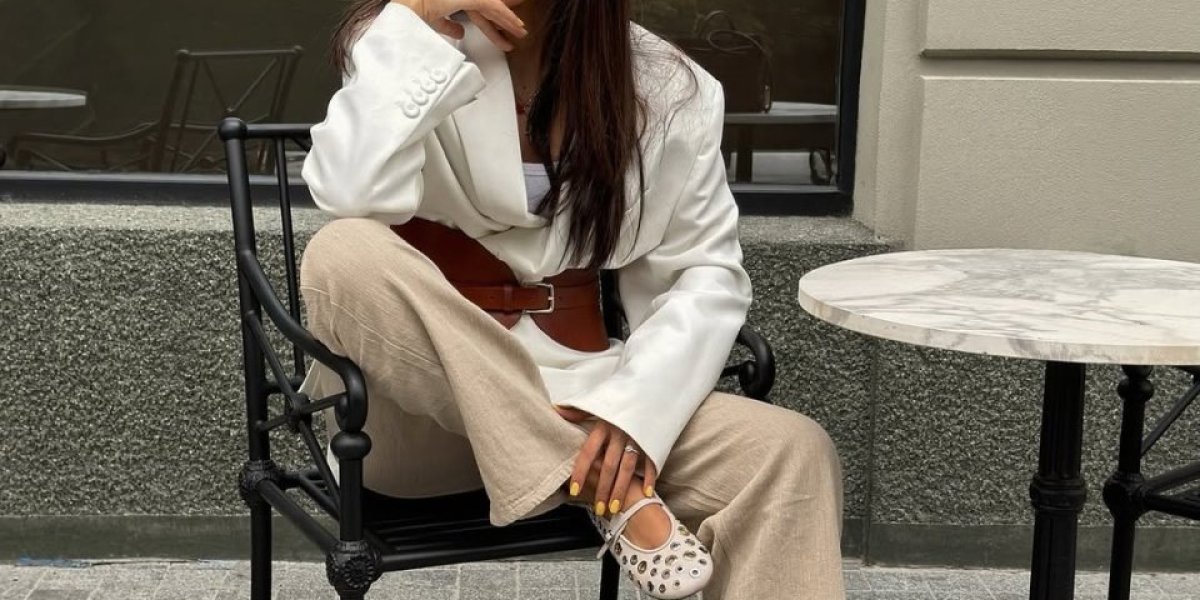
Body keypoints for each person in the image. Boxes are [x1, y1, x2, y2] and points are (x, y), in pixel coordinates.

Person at [296, 0, 845, 597]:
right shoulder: (406, 34)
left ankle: (579, 467)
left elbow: (702, 273)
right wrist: (421, 17)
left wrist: (633, 414)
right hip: (416, 417)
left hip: (580, 388)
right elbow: (347, 190)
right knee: (341, 251)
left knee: (790, 452)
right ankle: (599, 485)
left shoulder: (668, 85)